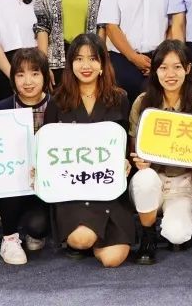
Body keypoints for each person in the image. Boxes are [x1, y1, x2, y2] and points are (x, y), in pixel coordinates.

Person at [44, 32, 136, 268]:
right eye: (79, 59)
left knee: (112, 260)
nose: (86, 66)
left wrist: (125, 161)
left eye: (93, 58)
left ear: (103, 64)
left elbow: (124, 144)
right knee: (82, 239)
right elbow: (47, 148)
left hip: (108, 190)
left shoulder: (119, 98)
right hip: (72, 191)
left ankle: (100, 237)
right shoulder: (57, 101)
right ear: (70, 64)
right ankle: (86, 238)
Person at [128, 39, 192, 264]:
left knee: (177, 235)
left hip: (182, 183)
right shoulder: (142, 103)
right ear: (155, 71)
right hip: (151, 178)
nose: (170, 74)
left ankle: (170, 222)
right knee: (145, 179)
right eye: (163, 67)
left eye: (177, 67)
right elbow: (134, 148)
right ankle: (148, 235)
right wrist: (139, 161)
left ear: (188, 69)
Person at [0, 48, 53, 264]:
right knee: (10, 175)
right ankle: (9, 238)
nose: (28, 81)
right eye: (20, 74)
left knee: (37, 227)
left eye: (35, 73)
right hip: (11, 187)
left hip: (45, 186)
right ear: (12, 78)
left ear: (45, 76)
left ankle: (36, 231)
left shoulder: (59, 107)